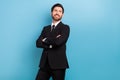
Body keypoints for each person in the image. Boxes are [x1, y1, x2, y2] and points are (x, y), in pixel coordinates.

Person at [36, 3, 70, 80]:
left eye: (60, 11)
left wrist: (45, 40)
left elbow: (59, 42)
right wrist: (53, 41)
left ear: (62, 14)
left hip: (59, 64)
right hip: (44, 64)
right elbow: (38, 43)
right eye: (55, 10)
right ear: (52, 13)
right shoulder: (46, 28)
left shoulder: (65, 28)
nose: (57, 12)